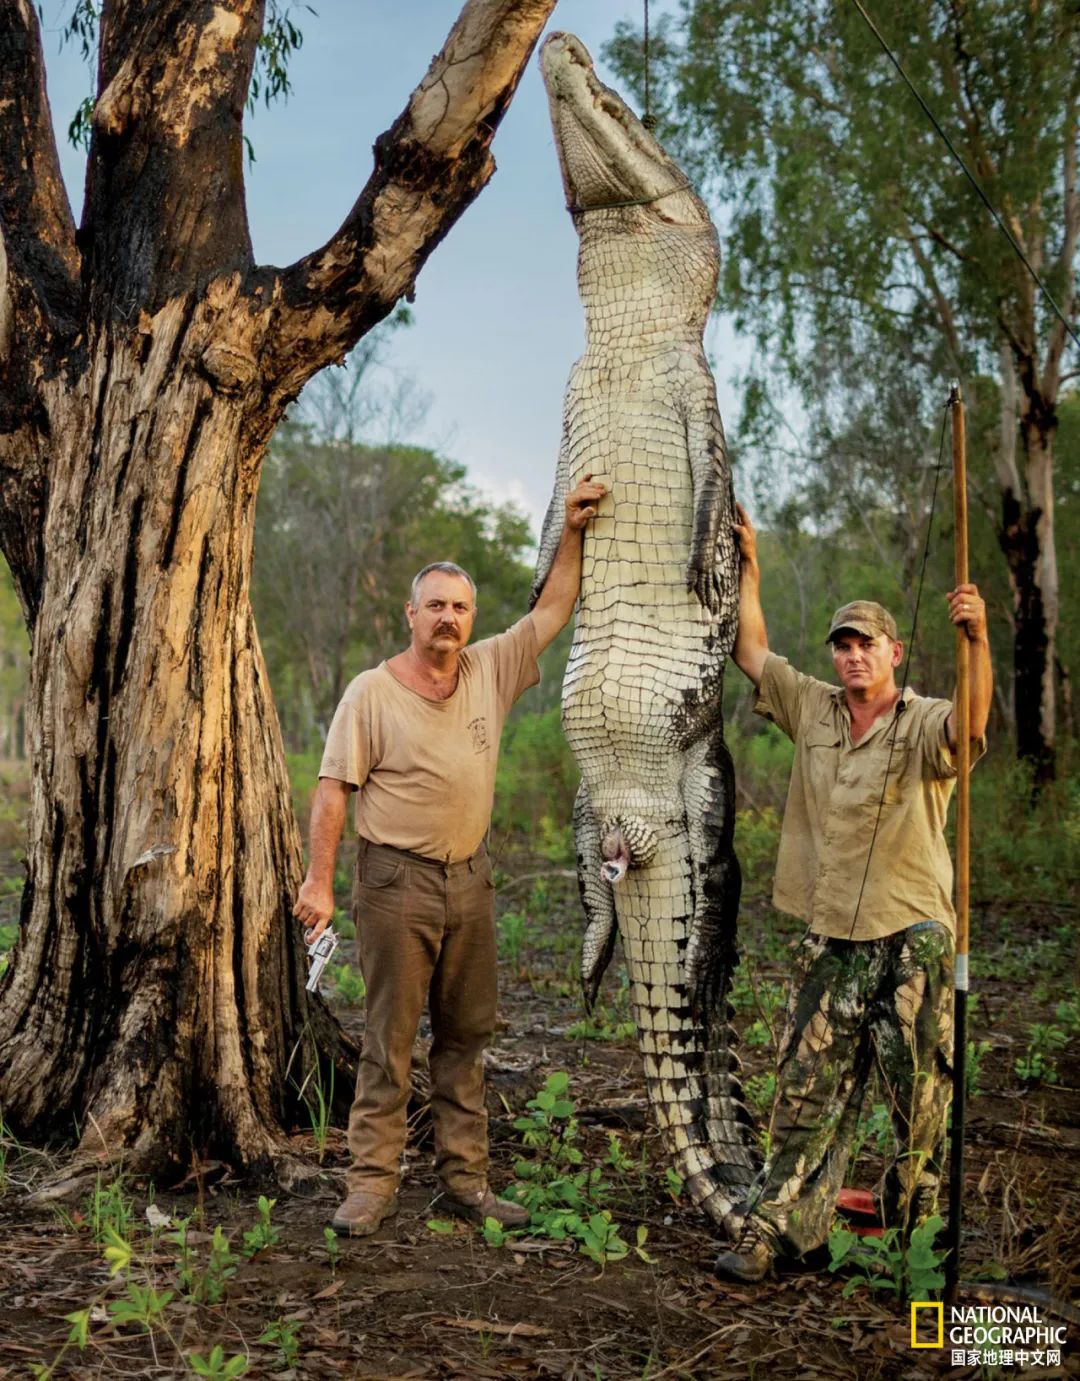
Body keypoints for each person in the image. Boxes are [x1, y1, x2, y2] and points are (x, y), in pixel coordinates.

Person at [293, 476, 607, 1238]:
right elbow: (333, 790)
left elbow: (554, 610)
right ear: (411, 614)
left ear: (472, 617)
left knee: (466, 1036)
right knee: (390, 1040)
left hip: (470, 878)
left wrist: (571, 532)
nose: (448, 617)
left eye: (460, 607)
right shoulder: (372, 692)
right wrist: (318, 881)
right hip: (395, 881)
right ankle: (371, 1184)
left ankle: (466, 1178)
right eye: (435, 605)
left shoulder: (490, 669)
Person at [715, 504, 992, 1282]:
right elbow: (750, 649)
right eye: (843, 644)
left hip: (913, 932)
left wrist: (977, 639)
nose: (853, 655)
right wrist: (751, 566)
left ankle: (918, 1241)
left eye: (866, 643)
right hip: (832, 931)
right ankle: (779, 1231)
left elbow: (970, 725)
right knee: (806, 1092)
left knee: (920, 1098)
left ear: (894, 652)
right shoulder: (812, 706)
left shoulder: (924, 719)